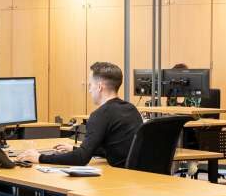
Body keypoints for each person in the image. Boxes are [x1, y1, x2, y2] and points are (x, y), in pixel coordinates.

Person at [15, 61, 143, 167]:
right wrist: (76, 149)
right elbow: (117, 150)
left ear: (99, 87)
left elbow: (81, 159)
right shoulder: (131, 109)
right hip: (137, 177)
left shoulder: (100, 115)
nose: (89, 90)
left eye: (90, 85)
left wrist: (39, 158)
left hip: (121, 178)